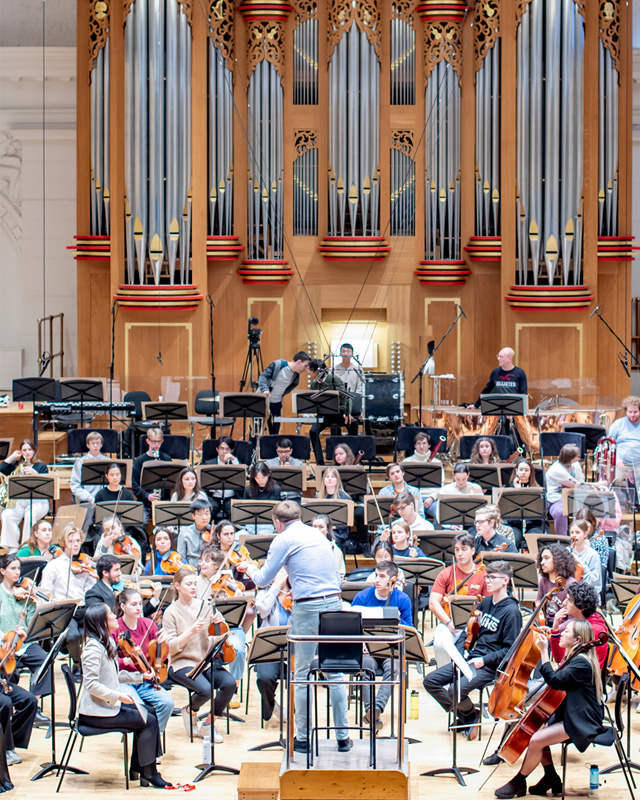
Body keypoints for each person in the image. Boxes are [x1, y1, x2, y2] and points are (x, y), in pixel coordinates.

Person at [236, 501, 352, 754]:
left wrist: (249, 567)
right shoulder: (317, 534)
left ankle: (302, 739)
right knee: (334, 673)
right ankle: (343, 737)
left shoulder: (283, 539)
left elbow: (263, 579)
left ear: (277, 523)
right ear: (300, 516)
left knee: (301, 676)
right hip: (334, 603)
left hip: (308, 606)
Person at [494, 620, 605, 799]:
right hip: (572, 712)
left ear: (577, 639)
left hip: (583, 720)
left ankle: (519, 781)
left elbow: (554, 679)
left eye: (566, 631)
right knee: (535, 731)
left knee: (536, 740)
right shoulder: (575, 657)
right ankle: (551, 777)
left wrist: (544, 651)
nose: (561, 633)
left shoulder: (582, 663)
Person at [424, 561, 522, 741]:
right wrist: (460, 653)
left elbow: (510, 651)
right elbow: (468, 633)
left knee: (455, 690)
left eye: (492, 578)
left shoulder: (512, 611)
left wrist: (484, 661)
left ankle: (467, 717)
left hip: (489, 666)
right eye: (487, 577)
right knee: (431, 681)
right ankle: (469, 716)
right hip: (471, 659)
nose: (488, 581)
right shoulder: (485, 603)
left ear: (505, 581)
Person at [79, 603, 171, 788]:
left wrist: (139, 676)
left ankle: (139, 768)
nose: (115, 616)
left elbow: (115, 675)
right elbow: (91, 684)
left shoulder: (106, 643)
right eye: (110, 614)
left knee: (150, 713)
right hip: (95, 713)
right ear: (102, 622)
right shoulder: (92, 649)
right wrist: (118, 696)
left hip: (107, 706)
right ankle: (149, 772)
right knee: (149, 721)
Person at [163, 568, 236, 743]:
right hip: (182, 662)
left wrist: (221, 623)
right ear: (177, 586)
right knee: (205, 690)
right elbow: (171, 648)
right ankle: (189, 711)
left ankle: (208, 724)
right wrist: (189, 632)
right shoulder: (170, 612)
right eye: (189, 584)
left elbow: (217, 636)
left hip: (206, 661)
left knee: (229, 684)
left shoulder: (205, 606)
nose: (193, 587)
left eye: (195, 584)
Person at [351, 561, 412, 732]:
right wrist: (361, 643)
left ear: (393, 579)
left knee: (394, 668)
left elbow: (409, 630)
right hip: (366, 648)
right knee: (367, 668)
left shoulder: (402, 599)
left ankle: (375, 708)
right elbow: (352, 626)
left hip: (390, 648)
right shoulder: (362, 597)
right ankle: (372, 710)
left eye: (382, 576)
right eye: (376, 575)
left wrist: (400, 621)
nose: (377, 579)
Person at [40, 522, 97, 678]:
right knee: (73, 636)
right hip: (64, 610)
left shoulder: (84, 563)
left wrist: (91, 573)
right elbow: (45, 592)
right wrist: (60, 604)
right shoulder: (53, 566)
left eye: (78, 541)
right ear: (64, 543)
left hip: (83, 608)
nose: (75, 545)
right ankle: (78, 664)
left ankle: (96, 666)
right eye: (71, 541)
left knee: (99, 631)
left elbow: (91, 590)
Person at [114, 587, 174, 734]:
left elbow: (160, 658)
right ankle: (143, 741)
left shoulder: (148, 624)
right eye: (133, 604)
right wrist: (126, 662)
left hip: (146, 680)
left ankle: (153, 739)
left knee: (167, 703)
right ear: (123, 607)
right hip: (124, 680)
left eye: (140, 604)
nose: (139, 608)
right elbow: (110, 664)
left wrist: (162, 645)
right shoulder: (115, 628)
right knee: (139, 709)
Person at [429, 532, 490, 667]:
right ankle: (444, 678)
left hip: (475, 625)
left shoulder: (482, 574)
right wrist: (448, 622)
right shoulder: (447, 572)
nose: (459, 554)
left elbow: (488, 603)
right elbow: (433, 603)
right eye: (457, 550)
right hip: (450, 623)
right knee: (439, 645)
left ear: (473, 551)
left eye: (464, 549)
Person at [0, 554, 52, 710]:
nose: (17, 572)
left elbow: (31, 624)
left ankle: (33, 703)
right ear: (2, 571)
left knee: (44, 661)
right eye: (13, 569)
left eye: (18, 568)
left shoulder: (25, 594)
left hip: (26, 643)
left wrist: (37, 604)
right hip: (5, 643)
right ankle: (13, 704)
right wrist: (5, 637)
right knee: (7, 668)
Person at [254, 568, 292, 728]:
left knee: (300, 679)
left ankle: (299, 715)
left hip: (294, 649)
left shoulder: (298, 594)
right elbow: (262, 610)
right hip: (270, 649)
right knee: (264, 677)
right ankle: (271, 704)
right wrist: (276, 587)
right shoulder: (265, 595)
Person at [0, 439, 50, 552]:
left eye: (29, 449)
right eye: (24, 450)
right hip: (19, 502)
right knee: (7, 514)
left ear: (34, 451)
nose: (27, 452)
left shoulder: (41, 466)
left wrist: (35, 474)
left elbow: (46, 485)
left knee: (30, 514)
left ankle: (26, 546)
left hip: (38, 501)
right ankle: (12, 547)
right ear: (21, 452)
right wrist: (12, 456)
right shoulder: (16, 465)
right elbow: (1, 469)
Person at [549, 581, 608, 669]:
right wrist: (555, 628)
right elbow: (559, 658)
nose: (564, 603)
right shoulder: (577, 622)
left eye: (569, 600)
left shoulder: (593, 630)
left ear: (581, 607)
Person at [307, 359, 351, 464]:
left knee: (352, 424)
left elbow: (346, 398)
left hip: (339, 411)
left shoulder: (334, 379)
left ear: (317, 371)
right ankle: (320, 462)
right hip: (324, 413)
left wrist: (348, 413)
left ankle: (351, 460)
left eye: (310, 370)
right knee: (313, 432)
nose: (308, 372)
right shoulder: (314, 384)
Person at [258, 351, 311, 434]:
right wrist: (265, 389)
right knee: (257, 429)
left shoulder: (296, 375)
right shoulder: (278, 364)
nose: (305, 369)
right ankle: (254, 447)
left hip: (276, 404)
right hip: (262, 401)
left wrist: (284, 392)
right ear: (299, 362)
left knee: (275, 432)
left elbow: (294, 384)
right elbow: (263, 376)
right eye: (305, 366)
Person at [131, 428, 172, 524]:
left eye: (158, 442)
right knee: (139, 523)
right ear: (147, 441)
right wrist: (147, 495)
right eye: (153, 442)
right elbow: (135, 486)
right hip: (145, 502)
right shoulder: (140, 461)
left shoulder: (166, 459)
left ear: (162, 441)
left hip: (163, 502)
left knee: (168, 523)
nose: (156, 445)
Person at [545, 444, 584, 536]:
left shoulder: (576, 465)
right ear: (569, 457)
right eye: (576, 456)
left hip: (573, 497)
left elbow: (581, 482)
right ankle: (562, 540)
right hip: (556, 499)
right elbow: (576, 485)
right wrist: (598, 484)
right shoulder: (556, 469)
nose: (578, 458)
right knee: (560, 512)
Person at [402, 432, 443, 519]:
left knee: (440, 513)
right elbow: (403, 484)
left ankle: (434, 532)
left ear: (429, 445)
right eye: (419, 443)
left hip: (430, 499)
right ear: (415, 446)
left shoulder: (437, 463)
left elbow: (442, 485)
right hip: (412, 498)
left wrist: (432, 498)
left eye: (424, 443)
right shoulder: (406, 462)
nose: (421, 446)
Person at [536, 544, 577, 626]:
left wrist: (554, 630)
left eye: (546, 558)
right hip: (546, 624)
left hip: (563, 628)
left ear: (559, 560)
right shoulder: (543, 581)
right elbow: (538, 608)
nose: (542, 563)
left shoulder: (571, 584)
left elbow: (572, 618)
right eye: (542, 559)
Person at [69, 431, 110, 511]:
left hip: (105, 500)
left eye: (98, 443)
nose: (95, 446)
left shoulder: (108, 461)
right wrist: (90, 498)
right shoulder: (80, 463)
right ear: (88, 445)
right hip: (86, 501)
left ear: (101, 445)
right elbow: (75, 486)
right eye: (92, 443)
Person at [202, 437, 241, 520]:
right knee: (207, 510)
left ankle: (231, 532)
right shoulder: (208, 464)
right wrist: (213, 488)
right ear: (217, 449)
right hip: (214, 497)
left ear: (232, 450)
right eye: (221, 448)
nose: (224, 452)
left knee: (234, 512)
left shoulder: (236, 463)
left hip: (230, 497)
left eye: (227, 449)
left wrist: (234, 461)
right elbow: (204, 484)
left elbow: (241, 481)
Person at [315, 467, 353, 553]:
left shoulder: (344, 497)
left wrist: (329, 528)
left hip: (338, 532)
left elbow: (346, 522)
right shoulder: (318, 497)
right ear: (323, 480)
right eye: (327, 477)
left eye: (332, 477)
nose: (329, 479)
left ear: (337, 480)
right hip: (320, 530)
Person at [608, 396, 640, 481]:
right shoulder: (618, 424)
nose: (633, 415)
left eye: (635, 412)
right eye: (630, 412)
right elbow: (609, 444)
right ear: (625, 411)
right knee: (617, 480)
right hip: (621, 463)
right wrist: (617, 459)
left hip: (638, 465)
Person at [177, 498, 212, 569]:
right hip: (190, 570)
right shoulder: (184, 533)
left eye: (207, 513)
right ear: (193, 516)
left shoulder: (214, 532)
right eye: (200, 514)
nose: (204, 517)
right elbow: (181, 557)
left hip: (209, 570)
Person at [569, 520, 602, 595]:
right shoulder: (567, 552)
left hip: (588, 596)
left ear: (585, 534)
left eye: (577, 532)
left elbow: (594, 582)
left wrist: (580, 563)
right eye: (572, 532)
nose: (574, 535)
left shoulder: (593, 555)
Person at [311, 515, 346, 579]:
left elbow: (338, 574)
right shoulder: (306, 547)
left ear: (327, 529)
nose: (317, 530)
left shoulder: (335, 550)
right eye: (314, 527)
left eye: (321, 527)